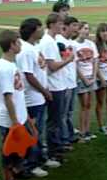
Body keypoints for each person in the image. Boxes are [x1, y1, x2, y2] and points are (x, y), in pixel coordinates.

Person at [0, 30, 37, 180]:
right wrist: (15, 123)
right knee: (8, 152)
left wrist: (24, 117)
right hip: (10, 120)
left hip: (19, 117)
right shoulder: (4, 68)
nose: (20, 45)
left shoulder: (12, 64)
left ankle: (16, 172)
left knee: (20, 150)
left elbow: (18, 95)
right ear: (12, 45)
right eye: (18, 42)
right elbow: (7, 97)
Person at [17, 18, 58, 177]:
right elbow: (28, 75)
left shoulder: (33, 47)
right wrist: (44, 91)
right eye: (40, 28)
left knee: (38, 131)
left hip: (38, 96)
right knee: (33, 132)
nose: (43, 30)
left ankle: (40, 158)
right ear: (33, 31)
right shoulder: (26, 50)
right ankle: (31, 164)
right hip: (32, 98)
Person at [39, 13, 75, 161]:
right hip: (53, 86)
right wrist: (68, 60)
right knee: (54, 121)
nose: (63, 27)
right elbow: (52, 66)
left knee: (57, 119)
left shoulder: (51, 41)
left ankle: (56, 148)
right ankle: (52, 152)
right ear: (53, 24)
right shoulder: (47, 42)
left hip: (58, 85)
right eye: (60, 24)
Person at [71, 22, 99, 142]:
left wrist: (93, 76)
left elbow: (95, 60)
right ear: (79, 30)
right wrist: (84, 79)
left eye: (88, 29)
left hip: (91, 77)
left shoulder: (91, 44)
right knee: (84, 105)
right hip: (82, 79)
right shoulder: (73, 45)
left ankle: (87, 130)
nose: (87, 31)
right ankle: (82, 131)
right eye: (84, 29)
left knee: (88, 105)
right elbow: (75, 65)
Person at [56, 16, 80, 147]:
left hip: (72, 81)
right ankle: (63, 139)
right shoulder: (59, 41)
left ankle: (69, 135)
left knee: (69, 112)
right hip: (63, 82)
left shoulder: (72, 42)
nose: (77, 28)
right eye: (75, 25)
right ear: (67, 26)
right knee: (62, 113)